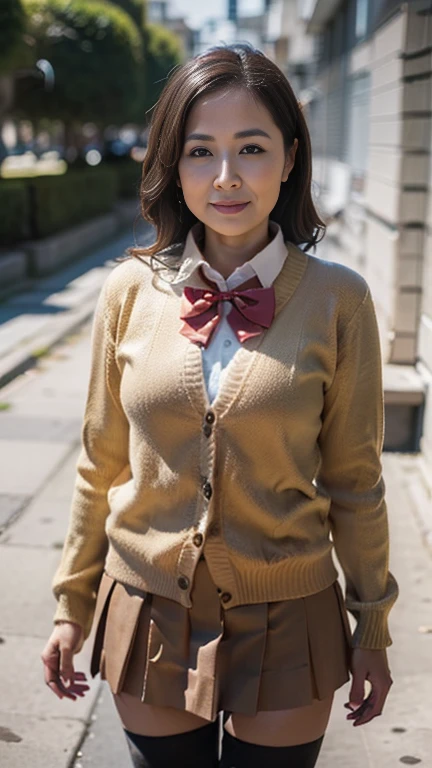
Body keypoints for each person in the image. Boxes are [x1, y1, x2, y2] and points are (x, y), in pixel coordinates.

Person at [41, 43, 399, 768]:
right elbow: (100, 462)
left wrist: (371, 625)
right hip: (150, 607)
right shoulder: (127, 292)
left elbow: (356, 482)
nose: (226, 177)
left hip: (290, 613)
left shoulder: (340, 300)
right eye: (201, 151)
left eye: (252, 148)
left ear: (291, 157)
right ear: (174, 164)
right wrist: (71, 605)